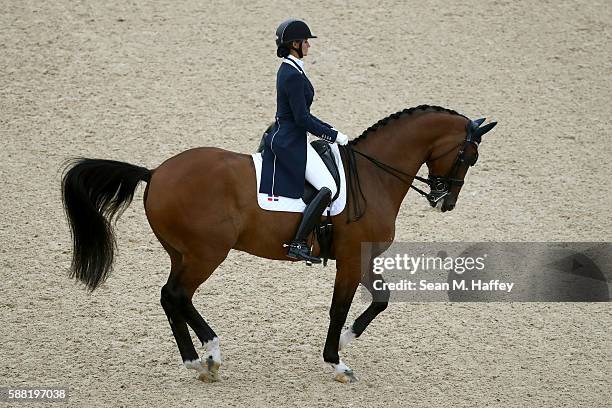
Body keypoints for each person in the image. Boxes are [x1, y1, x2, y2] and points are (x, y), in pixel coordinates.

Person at [259, 18, 349, 264]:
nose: (309, 45)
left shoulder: (293, 69)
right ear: (294, 44)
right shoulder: (292, 75)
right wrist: (333, 136)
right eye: (305, 41)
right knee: (328, 187)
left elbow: (304, 115)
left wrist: (330, 128)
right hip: (290, 140)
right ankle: (298, 243)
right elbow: (302, 119)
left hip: (289, 134)